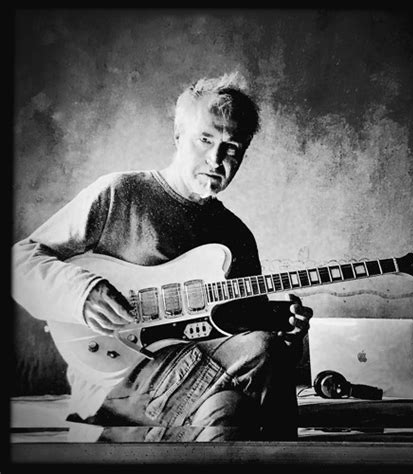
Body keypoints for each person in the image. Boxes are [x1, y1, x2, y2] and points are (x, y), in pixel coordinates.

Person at [12, 72, 313, 442]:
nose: (216, 159)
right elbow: (19, 262)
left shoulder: (237, 236)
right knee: (261, 354)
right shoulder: (119, 194)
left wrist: (288, 337)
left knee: (231, 411)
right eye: (205, 139)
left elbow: (248, 337)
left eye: (232, 148)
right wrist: (81, 292)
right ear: (178, 136)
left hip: (199, 381)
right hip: (120, 377)